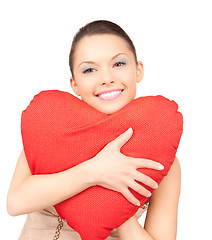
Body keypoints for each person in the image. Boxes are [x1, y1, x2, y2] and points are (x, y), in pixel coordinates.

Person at [7, 20, 181, 240]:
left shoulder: (164, 157)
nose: (107, 78)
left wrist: (116, 204)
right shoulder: (52, 130)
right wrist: (95, 171)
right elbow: (15, 202)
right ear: (75, 85)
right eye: (89, 70)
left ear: (138, 70)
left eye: (118, 64)